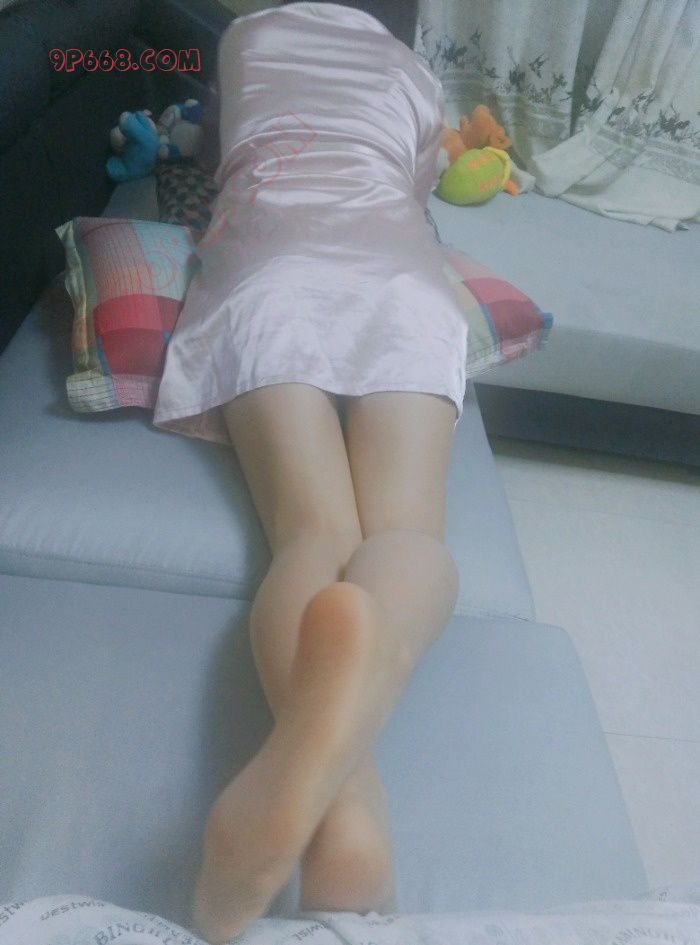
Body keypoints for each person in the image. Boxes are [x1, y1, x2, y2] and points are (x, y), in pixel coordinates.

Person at [151, 4, 469, 943]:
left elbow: (218, 152)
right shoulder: (417, 76)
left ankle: (349, 811)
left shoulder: (244, 38)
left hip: (273, 266)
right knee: (404, 531)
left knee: (312, 533)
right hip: (402, 277)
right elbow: (423, 180)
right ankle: (346, 792)